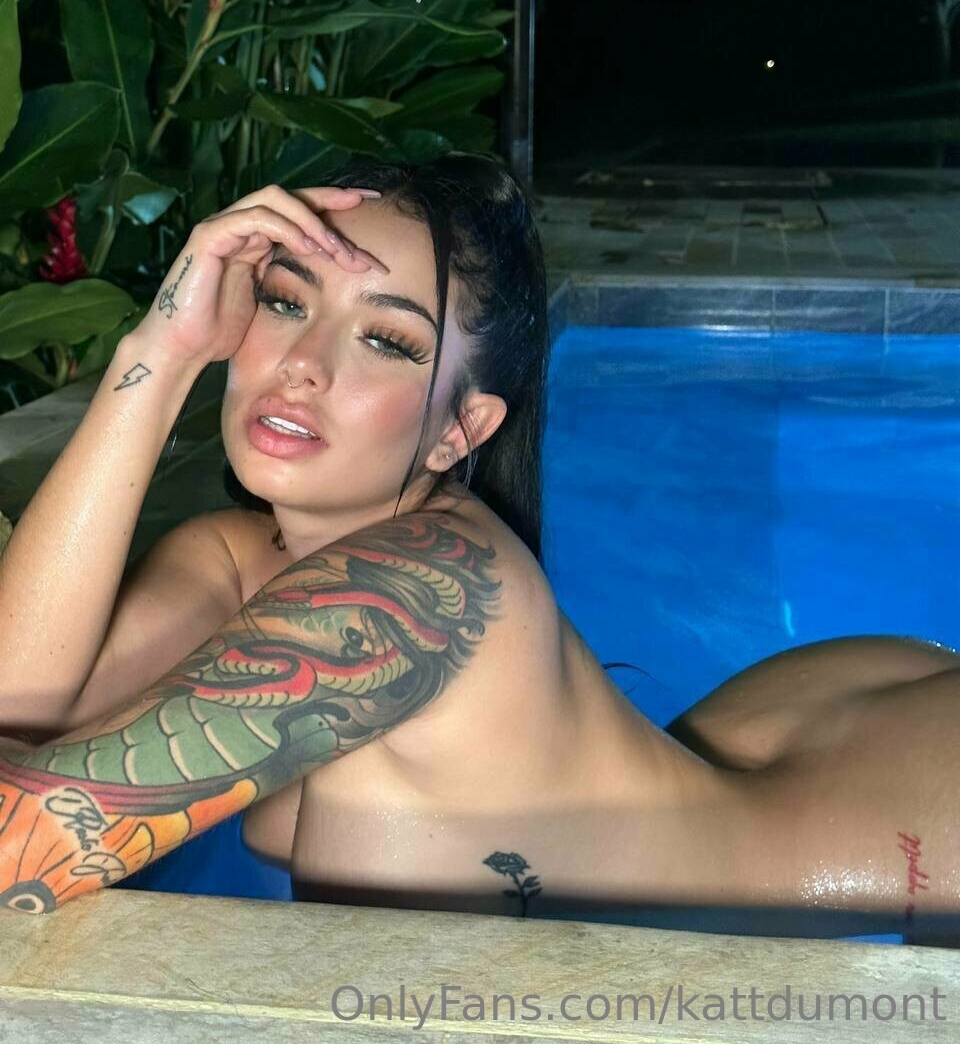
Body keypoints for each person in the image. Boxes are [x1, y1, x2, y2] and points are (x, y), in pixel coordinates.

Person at [0, 154, 957, 945]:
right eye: (287, 302)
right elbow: (20, 710)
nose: (302, 366)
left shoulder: (410, 589)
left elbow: (15, 853)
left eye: (388, 341)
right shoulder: (240, 556)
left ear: (462, 429)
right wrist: (160, 353)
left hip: (910, 848)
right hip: (802, 739)